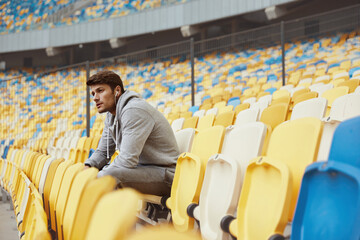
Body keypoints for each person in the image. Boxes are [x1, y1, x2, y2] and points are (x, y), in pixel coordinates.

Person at [84, 70, 180, 196]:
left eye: (100, 91)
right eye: (93, 93)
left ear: (117, 91)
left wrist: (97, 175)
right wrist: (86, 168)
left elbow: (127, 160)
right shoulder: (111, 115)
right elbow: (103, 152)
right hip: (143, 170)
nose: (95, 98)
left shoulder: (134, 110)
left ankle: (106, 216)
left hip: (166, 174)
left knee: (108, 176)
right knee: (89, 174)